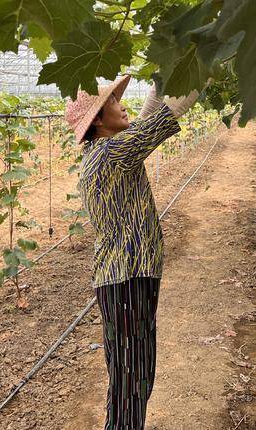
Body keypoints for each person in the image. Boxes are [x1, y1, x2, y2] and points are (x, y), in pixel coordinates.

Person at [64, 75, 202, 430]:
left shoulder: (108, 150)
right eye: (113, 102)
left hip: (124, 279)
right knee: (133, 378)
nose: (122, 104)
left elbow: (146, 117)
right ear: (96, 120)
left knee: (129, 376)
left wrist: (164, 73)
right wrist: (205, 66)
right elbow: (163, 118)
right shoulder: (113, 153)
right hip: (126, 278)